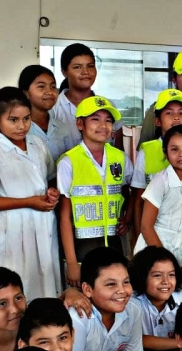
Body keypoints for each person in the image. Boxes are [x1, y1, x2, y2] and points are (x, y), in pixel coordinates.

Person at [0, 87, 60, 301]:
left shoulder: (37, 144)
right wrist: (27, 202)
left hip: (42, 222)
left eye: (26, 119)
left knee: (45, 285)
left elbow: (48, 178)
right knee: (16, 288)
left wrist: (51, 193)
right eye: (13, 120)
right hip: (12, 228)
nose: (22, 126)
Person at [58, 95, 133, 287]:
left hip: (114, 246)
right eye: (95, 119)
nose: (103, 125)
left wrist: (128, 216)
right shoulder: (69, 161)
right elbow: (64, 216)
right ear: (80, 124)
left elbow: (130, 192)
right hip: (83, 248)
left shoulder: (120, 158)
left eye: (108, 120)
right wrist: (72, 262)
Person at [132, 90, 182, 243]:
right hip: (154, 233)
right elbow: (138, 200)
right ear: (157, 121)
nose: (176, 117)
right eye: (169, 113)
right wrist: (136, 237)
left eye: (181, 113)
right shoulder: (147, 151)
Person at [134, 125, 182, 290]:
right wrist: (166, 264)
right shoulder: (160, 181)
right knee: (153, 298)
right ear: (165, 153)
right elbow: (146, 226)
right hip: (155, 247)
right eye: (174, 149)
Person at [69, 247, 144, 351]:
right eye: (111, 284)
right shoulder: (77, 317)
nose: (122, 291)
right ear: (87, 290)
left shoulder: (132, 310)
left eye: (126, 282)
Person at [129, 246, 182, 351]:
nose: (166, 281)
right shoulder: (132, 303)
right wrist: (180, 342)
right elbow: (137, 340)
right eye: (157, 275)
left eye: (171, 274)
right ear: (142, 276)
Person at [50, 43, 122, 149]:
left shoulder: (108, 105)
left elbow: (119, 150)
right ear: (65, 72)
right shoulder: (54, 108)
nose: (86, 72)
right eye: (77, 67)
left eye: (90, 66)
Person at [20, 64, 73, 161]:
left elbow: (71, 158)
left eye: (53, 86)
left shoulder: (62, 127)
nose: (49, 92)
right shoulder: (20, 129)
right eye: (41, 86)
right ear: (26, 93)